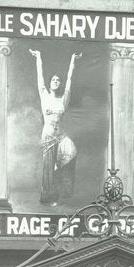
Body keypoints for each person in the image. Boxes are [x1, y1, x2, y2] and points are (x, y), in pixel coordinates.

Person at [28, 48, 81, 206]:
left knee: (71, 151)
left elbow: (70, 79)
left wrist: (73, 61)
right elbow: (40, 77)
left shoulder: (64, 98)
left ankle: (62, 192)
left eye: (58, 80)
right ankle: (49, 197)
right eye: (54, 80)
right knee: (49, 168)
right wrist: (38, 57)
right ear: (50, 83)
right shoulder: (44, 95)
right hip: (49, 135)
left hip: (62, 135)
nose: (56, 82)